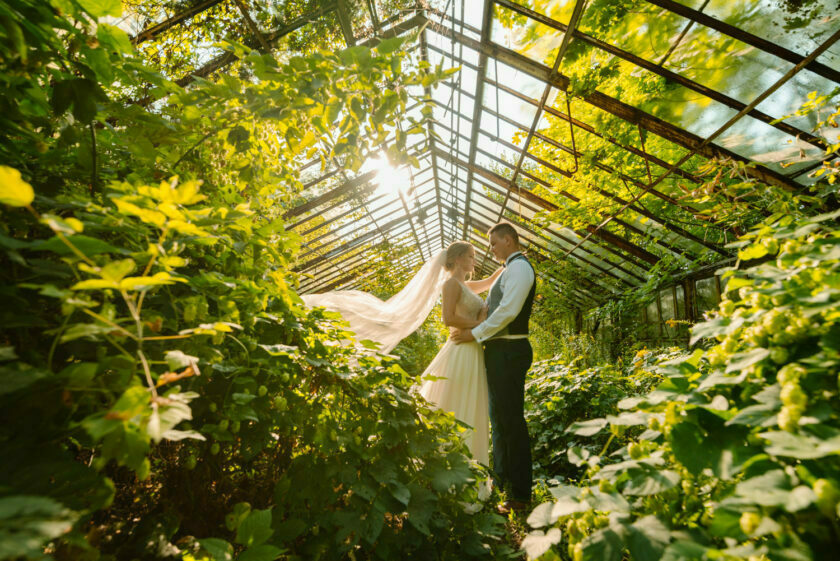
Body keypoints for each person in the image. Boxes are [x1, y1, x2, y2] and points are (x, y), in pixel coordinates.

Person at [451, 222, 536, 514]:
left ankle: (521, 494)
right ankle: (500, 483)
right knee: (498, 420)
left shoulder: (521, 269)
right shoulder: (509, 270)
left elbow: (509, 311)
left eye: (494, 243)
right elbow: (494, 307)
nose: (491, 249)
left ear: (509, 240)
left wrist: (474, 333)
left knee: (511, 422)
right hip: (499, 350)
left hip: (511, 350)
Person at [417, 241, 502, 466]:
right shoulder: (451, 285)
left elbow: (490, 282)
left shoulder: (466, 285)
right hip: (461, 347)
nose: (474, 260)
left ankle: (468, 462)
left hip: (472, 348)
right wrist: (478, 323)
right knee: (455, 398)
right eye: (471, 256)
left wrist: (508, 262)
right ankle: (445, 459)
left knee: (470, 398)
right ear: (457, 259)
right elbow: (448, 318)